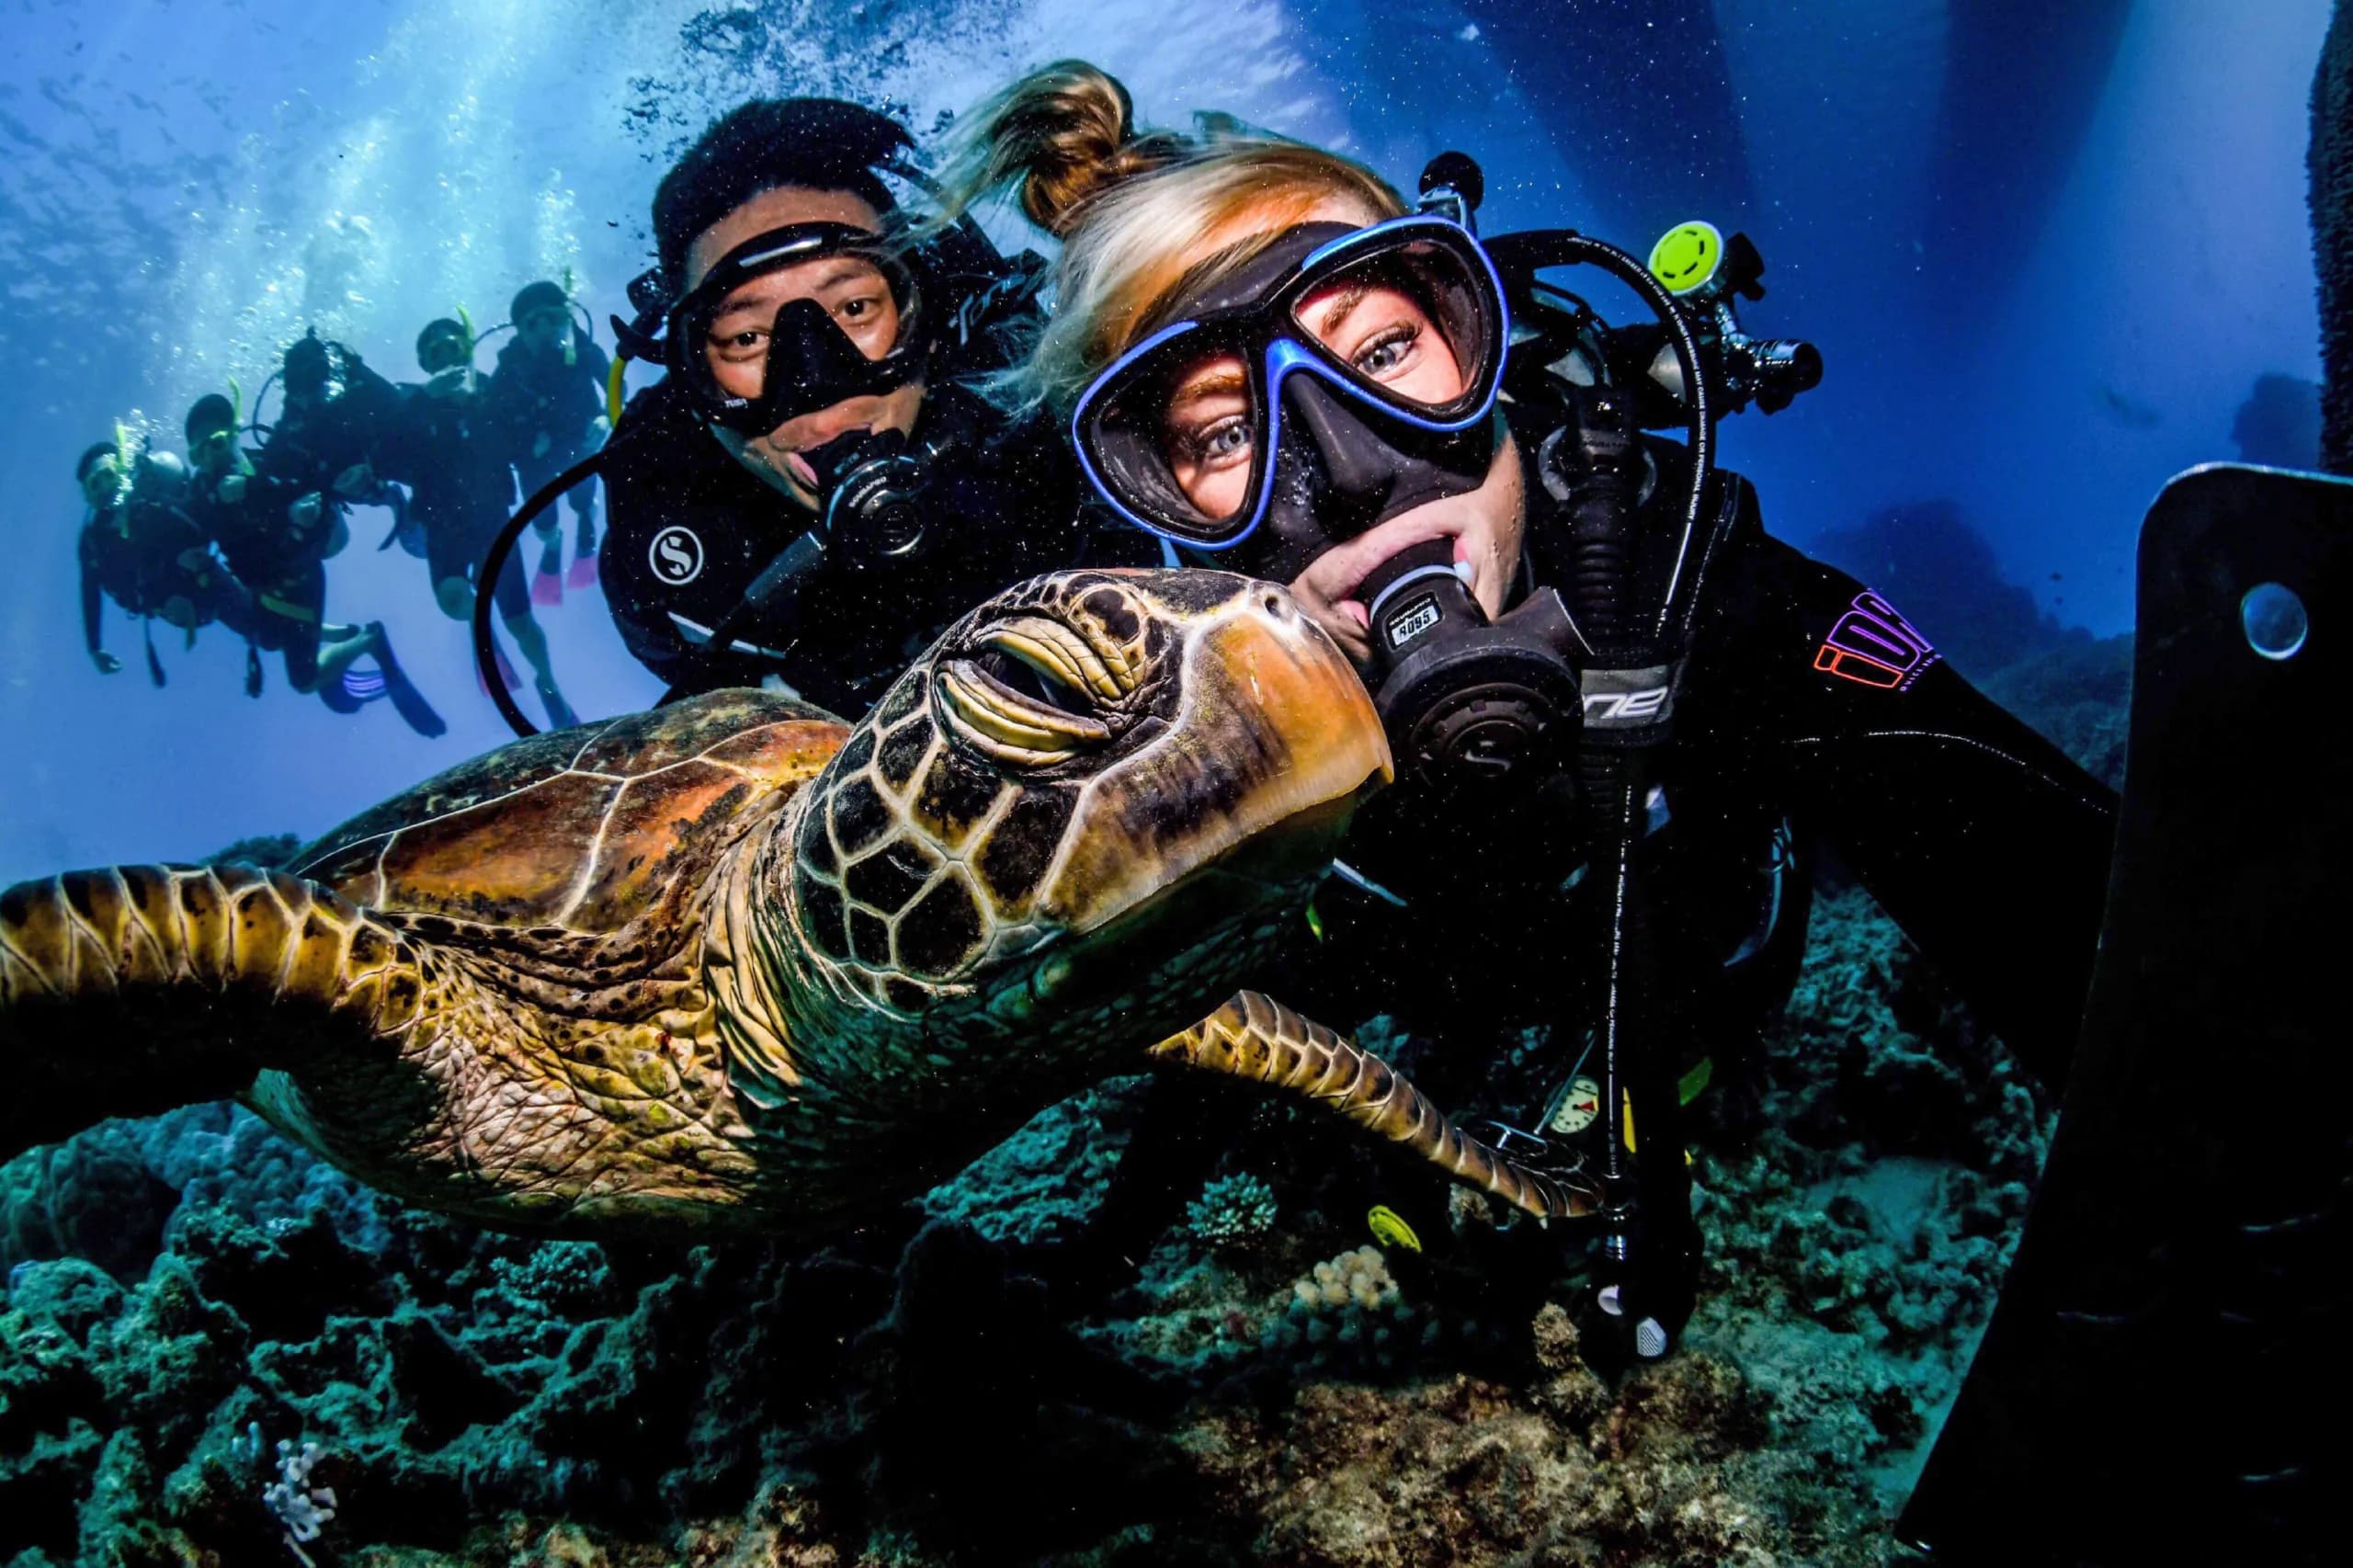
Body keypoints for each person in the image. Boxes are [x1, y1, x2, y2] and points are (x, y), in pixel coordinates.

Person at [942, 61, 2119, 1354]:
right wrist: (1095, 1262)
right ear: (1155, 508)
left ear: (1481, 347)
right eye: (1223, 436)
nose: (1348, 474)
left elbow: (2063, 901)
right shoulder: (1195, 753)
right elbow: (1202, 1026)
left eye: (1384, 350)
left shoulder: (1679, 569)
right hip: (1433, 1017)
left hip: (1703, 978)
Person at [590, 96, 1149, 718]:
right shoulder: (671, 560)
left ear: (925, 318)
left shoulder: (1043, 404)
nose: (816, 386)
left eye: (854, 308)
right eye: (746, 339)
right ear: (694, 380)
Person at [188, 380, 445, 736]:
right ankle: (341, 635)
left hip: (299, 580)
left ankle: (370, 638)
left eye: (215, 444)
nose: (210, 458)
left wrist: (256, 489)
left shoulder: (267, 463)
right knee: (268, 639)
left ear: (232, 435)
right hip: (264, 590)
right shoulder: (201, 498)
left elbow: (311, 489)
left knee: (304, 681)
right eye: (198, 454)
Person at [387, 318, 577, 728]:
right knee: (453, 601)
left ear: (467, 349)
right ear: (424, 363)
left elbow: (527, 441)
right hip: (441, 524)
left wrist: (484, 406)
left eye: (451, 346)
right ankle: (478, 618)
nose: (445, 355)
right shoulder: (414, 407)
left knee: (521, 623)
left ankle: (547, 682)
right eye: (434, 352)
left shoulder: (493, 391)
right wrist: (424, 401)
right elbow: (384, 456)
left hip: (493, 523)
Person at [74, 432, 260, 688]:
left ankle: (298, 628)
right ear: (89, 498)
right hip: (168, 605)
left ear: (121, 469)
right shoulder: (93, 541)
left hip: (203, 578)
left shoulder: (149, 491)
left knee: (264, 632)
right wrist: (94, 647)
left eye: (108, 475)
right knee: (260, 629)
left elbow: (199, 512)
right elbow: (89, 589)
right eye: (95, 484)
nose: (105, 488)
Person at [494, 278, 608, 601]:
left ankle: (586, 515)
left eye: (554, 318)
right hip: (535, 458)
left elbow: (616, 386)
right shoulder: (508, 371)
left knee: (581, 500)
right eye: (533, 323)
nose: (545, 329)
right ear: (520, 332)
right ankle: (553, 541)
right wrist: (524, 446)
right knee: (544, 521)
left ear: (567, 318)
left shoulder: (583, 348)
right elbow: (492, 426)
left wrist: (607, 418)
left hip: (580, 444)